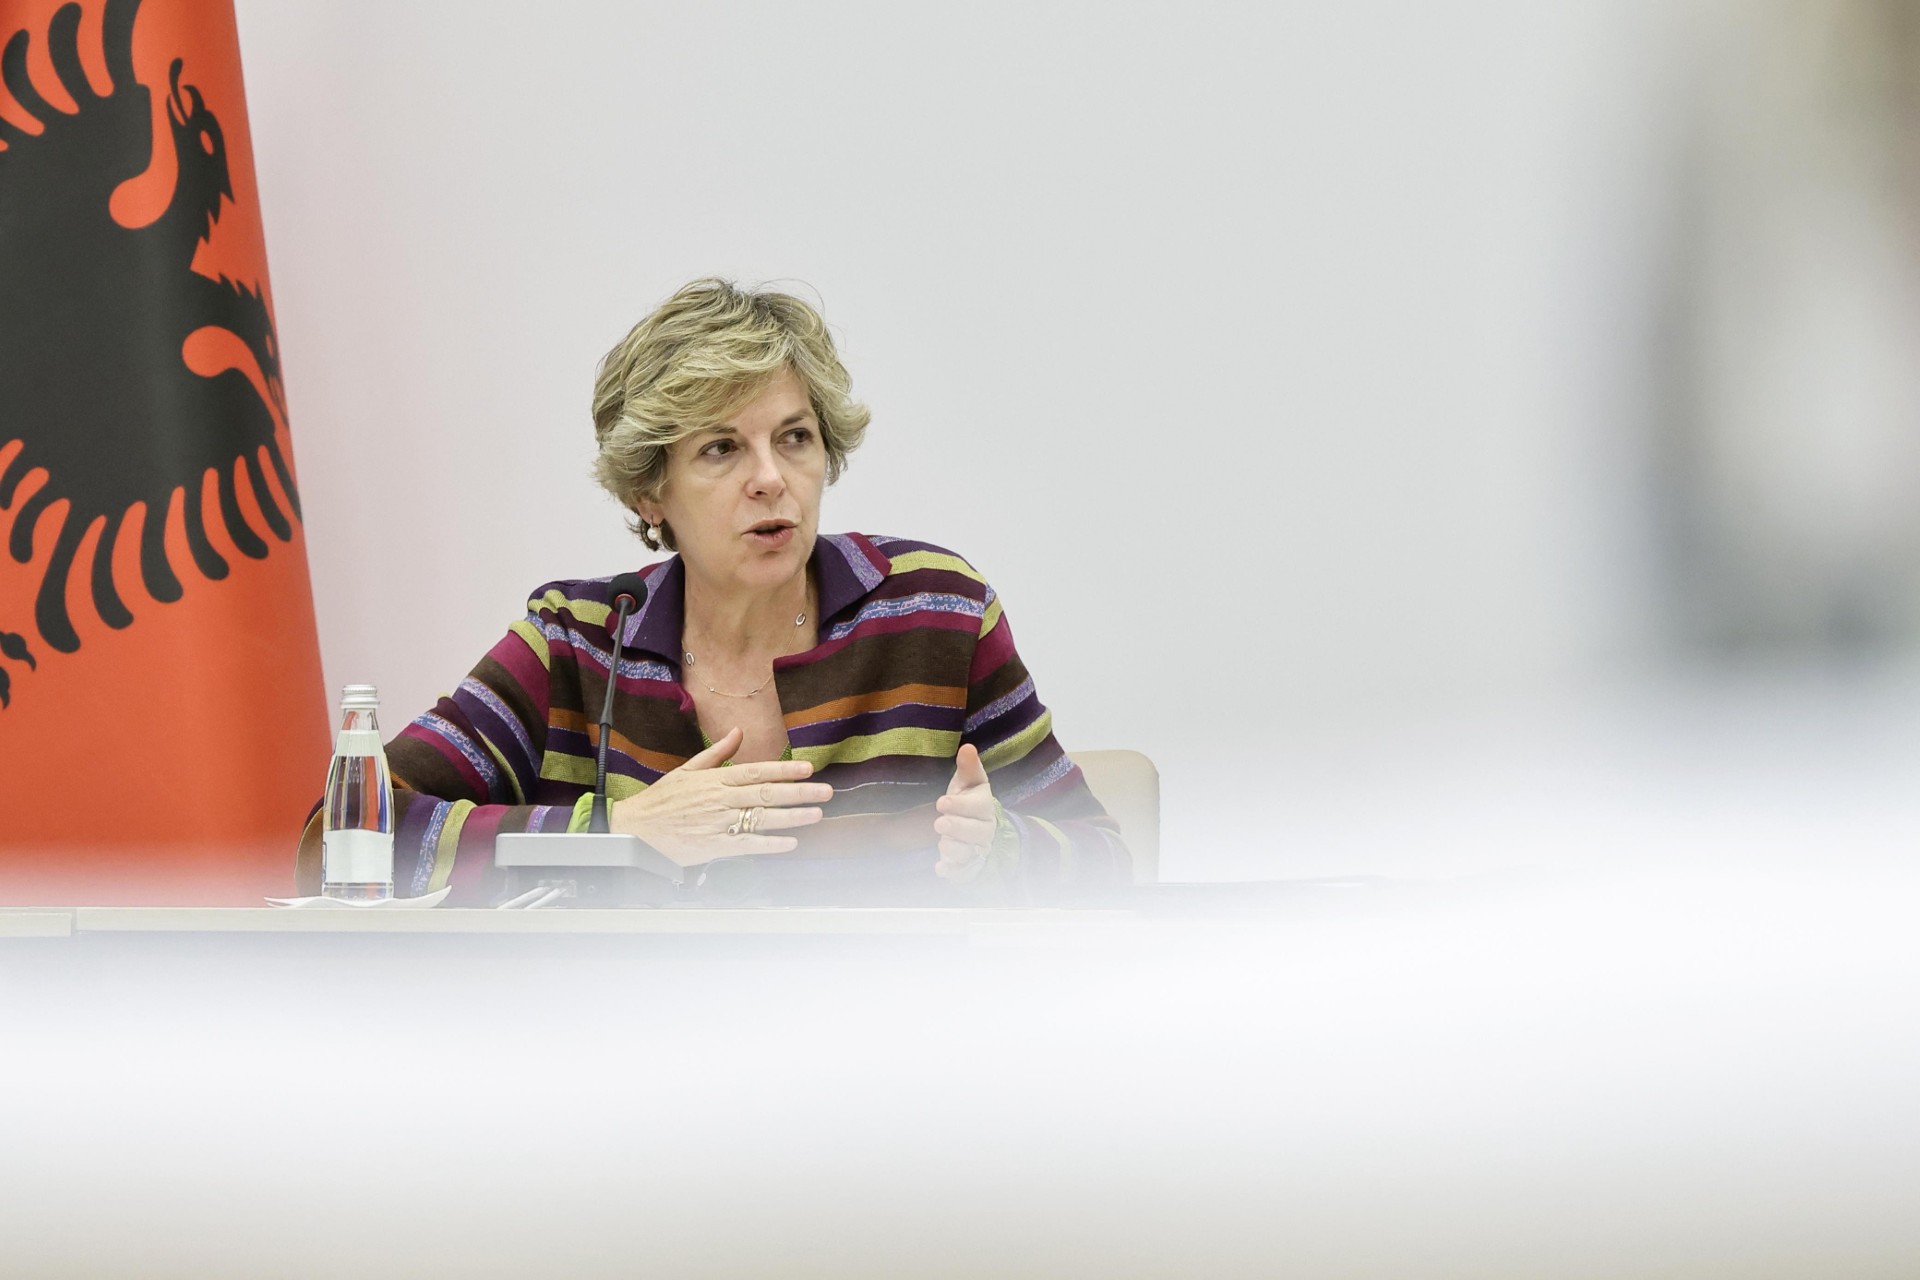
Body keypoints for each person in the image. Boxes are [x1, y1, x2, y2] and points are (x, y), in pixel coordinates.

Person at [295, 278, 1129, 904]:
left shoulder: (933, 614)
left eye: (794, 438)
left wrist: (1002, 849)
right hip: (638, 1058)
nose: (770, 478)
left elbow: (1105, 862)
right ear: (648, 493)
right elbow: (340, 839)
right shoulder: (577, 645)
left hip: (885, 1054)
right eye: (721, 449)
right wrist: (620, 832)